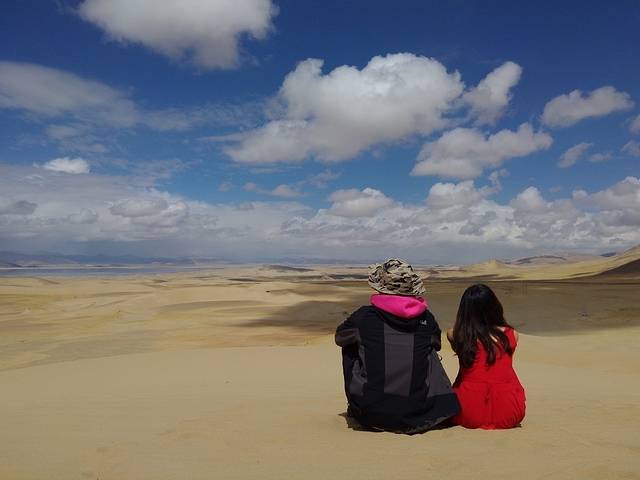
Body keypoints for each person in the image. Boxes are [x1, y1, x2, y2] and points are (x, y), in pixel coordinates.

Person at [335, 258, 460, 434]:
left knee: (350, 345)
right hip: (418, 411)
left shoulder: (364, 317)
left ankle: (358, 402)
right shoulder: (427, 318)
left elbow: (340, 337)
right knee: (428, 349)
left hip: (371, 412)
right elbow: (437, 344)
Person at [447, 284, 526, 429]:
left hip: (467, 411)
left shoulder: (455, 334)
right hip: (509, 411)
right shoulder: (511, 335)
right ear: (494, 307)